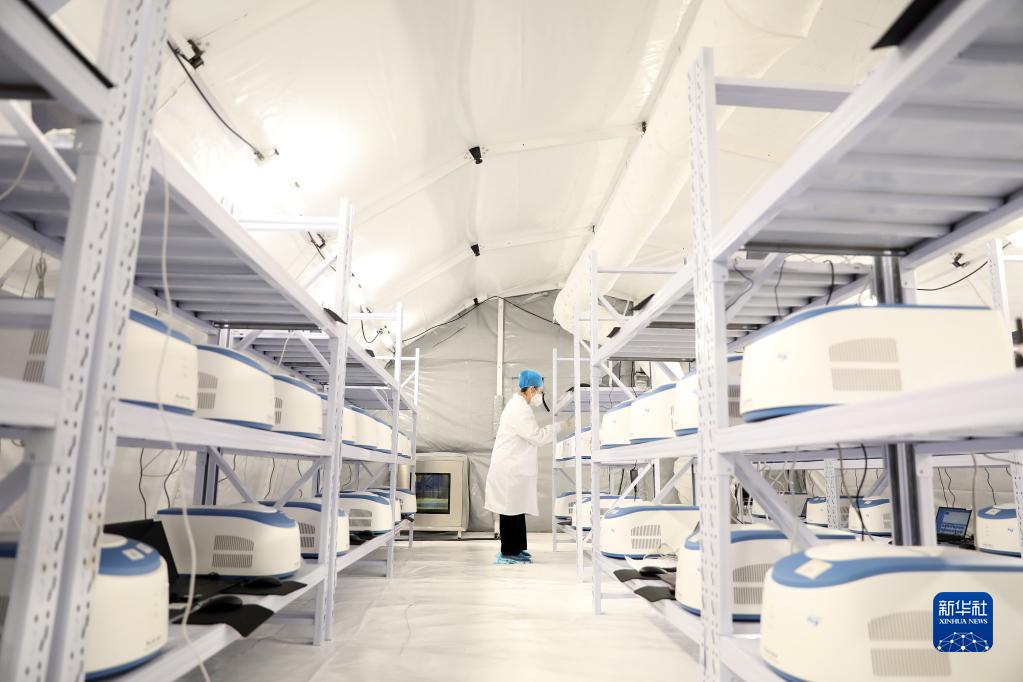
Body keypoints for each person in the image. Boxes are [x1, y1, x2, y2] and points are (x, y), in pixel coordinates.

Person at [485, 369, 566, 565]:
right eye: (540, 392)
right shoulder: (518, 409)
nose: (540, 397)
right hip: (509, 469)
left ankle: (517, 549)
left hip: (514, 468)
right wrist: (558, 427)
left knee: (516, 509)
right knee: (510, 511)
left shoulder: (520, 406)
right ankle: (508, 553)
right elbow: (536, 437)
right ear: (531, 389)